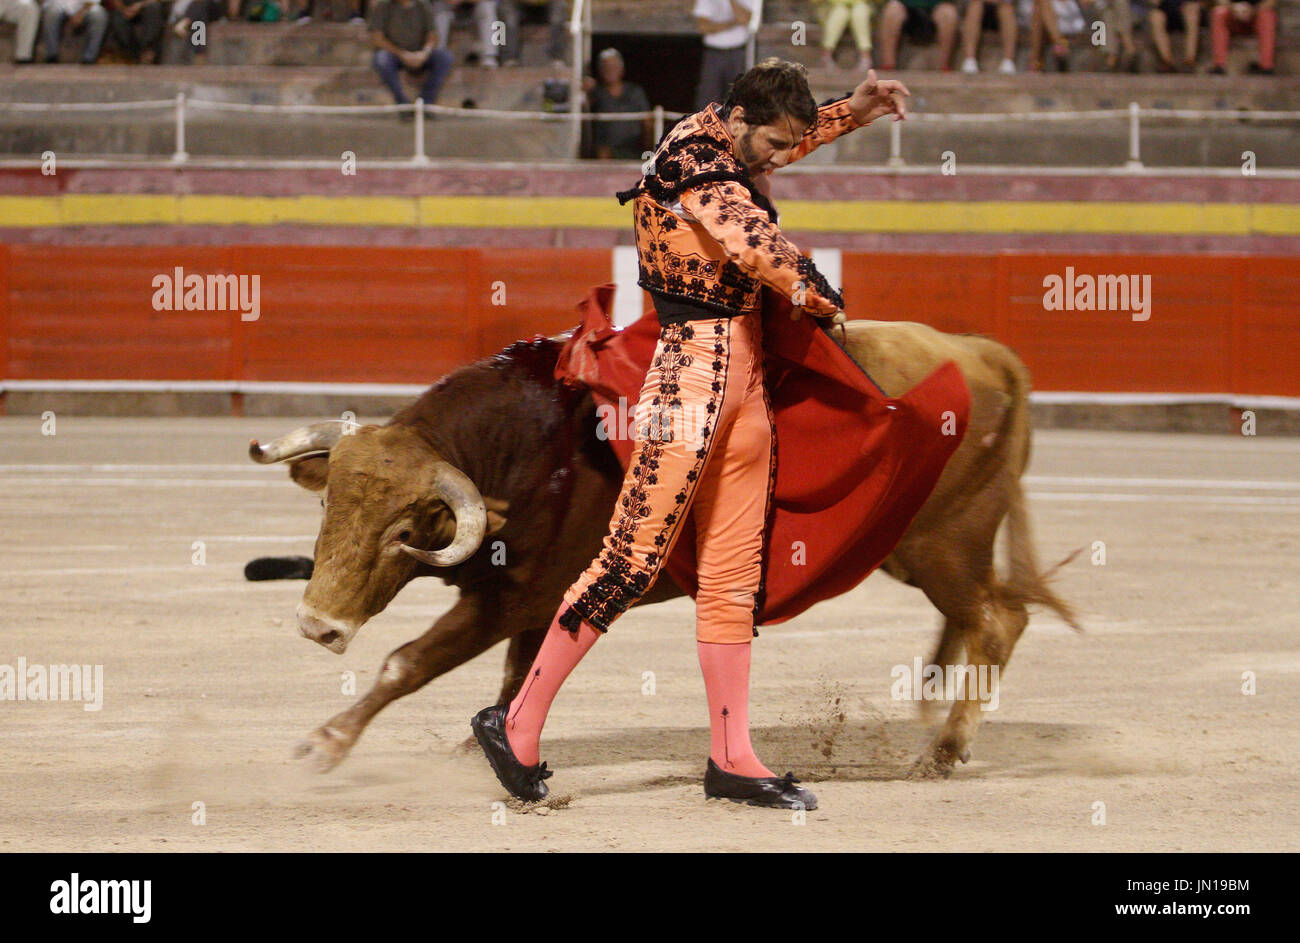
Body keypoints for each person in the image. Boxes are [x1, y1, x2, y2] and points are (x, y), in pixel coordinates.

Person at [471, 58, 910, 811]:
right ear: (737, 121)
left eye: (784, 145)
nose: (778, 157)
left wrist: (855, 113)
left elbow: (774, 152)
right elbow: (746, 238)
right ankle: (516, 722)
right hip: (686, 380)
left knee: (734, 574)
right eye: (770, 143)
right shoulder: (689, 156)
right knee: (630, 560)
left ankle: (733, 756)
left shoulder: (734, 143)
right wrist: (813, 288)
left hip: (743, 384)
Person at [368, 0, 455, 111]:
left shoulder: (423, 5)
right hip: (394, 54)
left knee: (445, 57)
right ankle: (403, 104)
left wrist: (424, 53)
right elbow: (377, 38)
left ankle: (426, 103)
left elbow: (433, 36)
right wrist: (402, 54)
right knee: (381, 59)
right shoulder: (384, 5)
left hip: (420, 53)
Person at [585, 47, 651, 160]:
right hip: (605, 151)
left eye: (614, 67)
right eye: (606, 67)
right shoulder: (595, 92)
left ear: (622, 69)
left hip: (633, 148)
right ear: (600, 70)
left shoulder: (635, 92)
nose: (610, 70)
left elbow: (647, 122)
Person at [693, 0, 754, 111]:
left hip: (738, 52)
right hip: (713, 53)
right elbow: (703, 26)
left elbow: (744, 18)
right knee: (707, 98)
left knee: (739, 98)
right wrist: (732, 23)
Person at [877, 0, 959, 70]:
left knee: (948, 13)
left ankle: (943, 66)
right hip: (905, 7)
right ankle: (888, 65)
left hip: (937, 6)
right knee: (892, 9)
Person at [1208, 0, 1276, 75]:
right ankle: (1219, 66)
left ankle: (1266, 66)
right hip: (1233, 16)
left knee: (1267, 15)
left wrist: (1252, 11)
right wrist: (1233, 8)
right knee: (1218, 12)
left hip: (1255, 17)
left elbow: (1271, 2)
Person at [499, 0, 567, 67]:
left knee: (560, 6)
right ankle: (510, 59)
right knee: (508, 14)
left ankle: (557, 58)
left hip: (547, 4)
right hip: (518, 4)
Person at [959, 0, 1018, 73]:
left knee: (1007, 9)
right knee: (975, 6)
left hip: (1001, 9)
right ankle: (969, 60)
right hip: (978, 9)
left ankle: (1008, 61)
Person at [41, 0, 109, 62]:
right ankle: (51, 56)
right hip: (57, 4)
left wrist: (81, 13)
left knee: (99, 14)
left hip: (85, 6)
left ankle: (89, 58)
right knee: (51, 13)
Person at [818, 0, 877, 70]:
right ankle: (826, 55)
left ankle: (866, 57)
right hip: (832, 7)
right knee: (839, 13)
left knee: (860, 13)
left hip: (862, 5)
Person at [1149, 0, 1205, 72]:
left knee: (1192, 12)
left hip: (1187, 7)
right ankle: (1167, 61)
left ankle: (1189, 61)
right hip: (1165, 8)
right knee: (1155, 17)